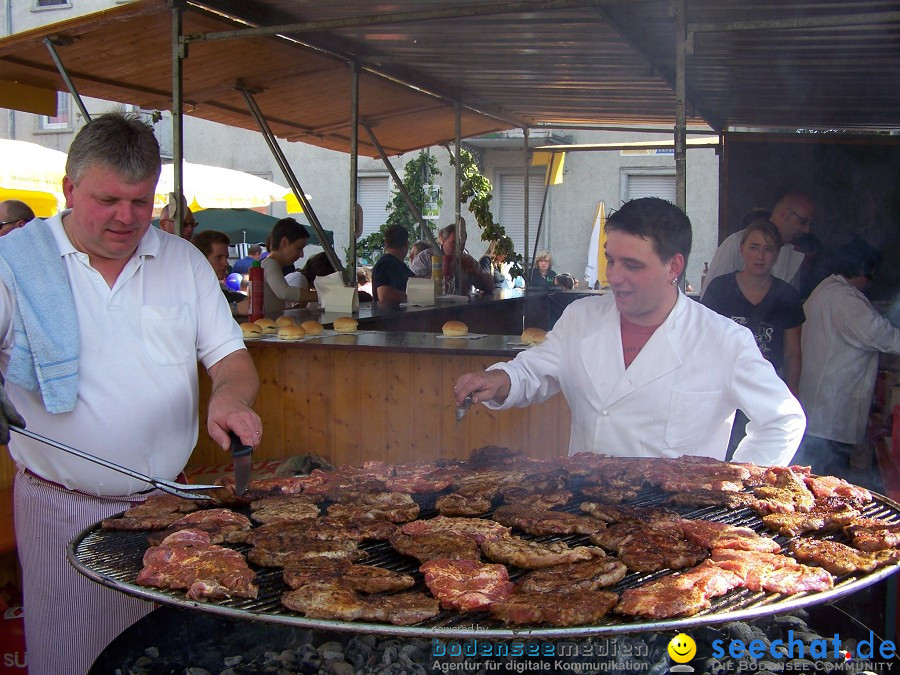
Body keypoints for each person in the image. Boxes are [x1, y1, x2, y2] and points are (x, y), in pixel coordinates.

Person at [0, 112, 261, 675]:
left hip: (166, 505)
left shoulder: (183, 261)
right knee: (68, 661)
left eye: (141, 202)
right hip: (61, 507)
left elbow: (230, 358)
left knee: (161, 658)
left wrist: (229, 399)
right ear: (69, 189)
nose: (126, 217)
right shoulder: (15, 265)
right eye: (108, 200)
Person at [453, 197, 805, 465]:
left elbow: (783, 420)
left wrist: (733, 484)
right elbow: (534, 369)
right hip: (585, 517)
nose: (615, 276)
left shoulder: (725, 341)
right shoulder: (581, 318)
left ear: (674, 266)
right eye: (611, 260)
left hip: (676, 526)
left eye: (632, 265)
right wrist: (500, 380)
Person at [793, 237, 900, 482]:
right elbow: (884, 336)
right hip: (829, 415)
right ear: (865, 270)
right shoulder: (846, 299)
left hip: (820, 411)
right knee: (826, 483)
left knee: (817, 481)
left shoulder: (828, 289)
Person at [701, 219, 806, 460]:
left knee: (759, 456)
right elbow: (703, 340)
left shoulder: (787, 296)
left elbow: (793, 352)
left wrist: (793, 393)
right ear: (742, 249)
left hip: (765, 387)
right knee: (717, 450)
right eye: (754, 247)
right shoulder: (720, 289)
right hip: (721, 385)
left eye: (768, 249)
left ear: (777, 254)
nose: (760, 256)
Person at [702, 193, 814, 298]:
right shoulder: (735, 243)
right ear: (783, 214)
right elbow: (711, 298)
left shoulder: (793, 255)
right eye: (803, 221)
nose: (806, 230)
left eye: (768, 249)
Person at [410, 222, 494, 294]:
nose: (459, 248)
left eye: (462, 244)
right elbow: (411, 285)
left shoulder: (467, 260)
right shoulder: (425, 257)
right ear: (443, 240)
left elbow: (491, 287)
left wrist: (477, 274)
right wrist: (438, 275)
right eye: (454, 243)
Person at [261, 217, 316, 313]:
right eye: (299, 248)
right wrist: (322, 295)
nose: (301, 255)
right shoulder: (270, 264)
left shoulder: (272, 265)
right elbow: (284, 292)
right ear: (284, 242)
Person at [192, 229, 249, 316]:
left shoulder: (215, 286)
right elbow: (195, 315)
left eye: (226, 257)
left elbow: (240, 298)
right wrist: (234, 309)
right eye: (219, 257)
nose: (226, 263)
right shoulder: (189, 287)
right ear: (201, 259)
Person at [372, 225, 414, 304]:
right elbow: (384, 295)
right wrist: (414, 296)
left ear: (386, 243)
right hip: (388, 315)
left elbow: (416, 280)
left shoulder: (397, 264)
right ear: (406, 243)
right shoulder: (387, 264)